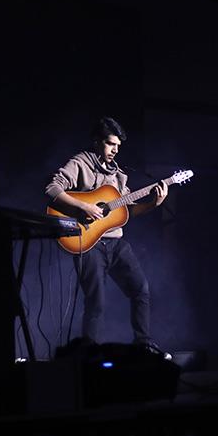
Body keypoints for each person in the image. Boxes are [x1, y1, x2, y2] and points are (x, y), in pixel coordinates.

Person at [45, 117, 171, 359]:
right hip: (88, 244)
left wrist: (154, 204)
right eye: (110, 144)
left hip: (116, 243)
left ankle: (144, 344)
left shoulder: (119, 176)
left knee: (141, 290)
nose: (115, 150)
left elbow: (127, 212)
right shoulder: (80, 163)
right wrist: (84, 207)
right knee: (96, 302)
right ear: (96, 141)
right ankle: (89, 355)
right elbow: (52, 188)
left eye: (118, 146)